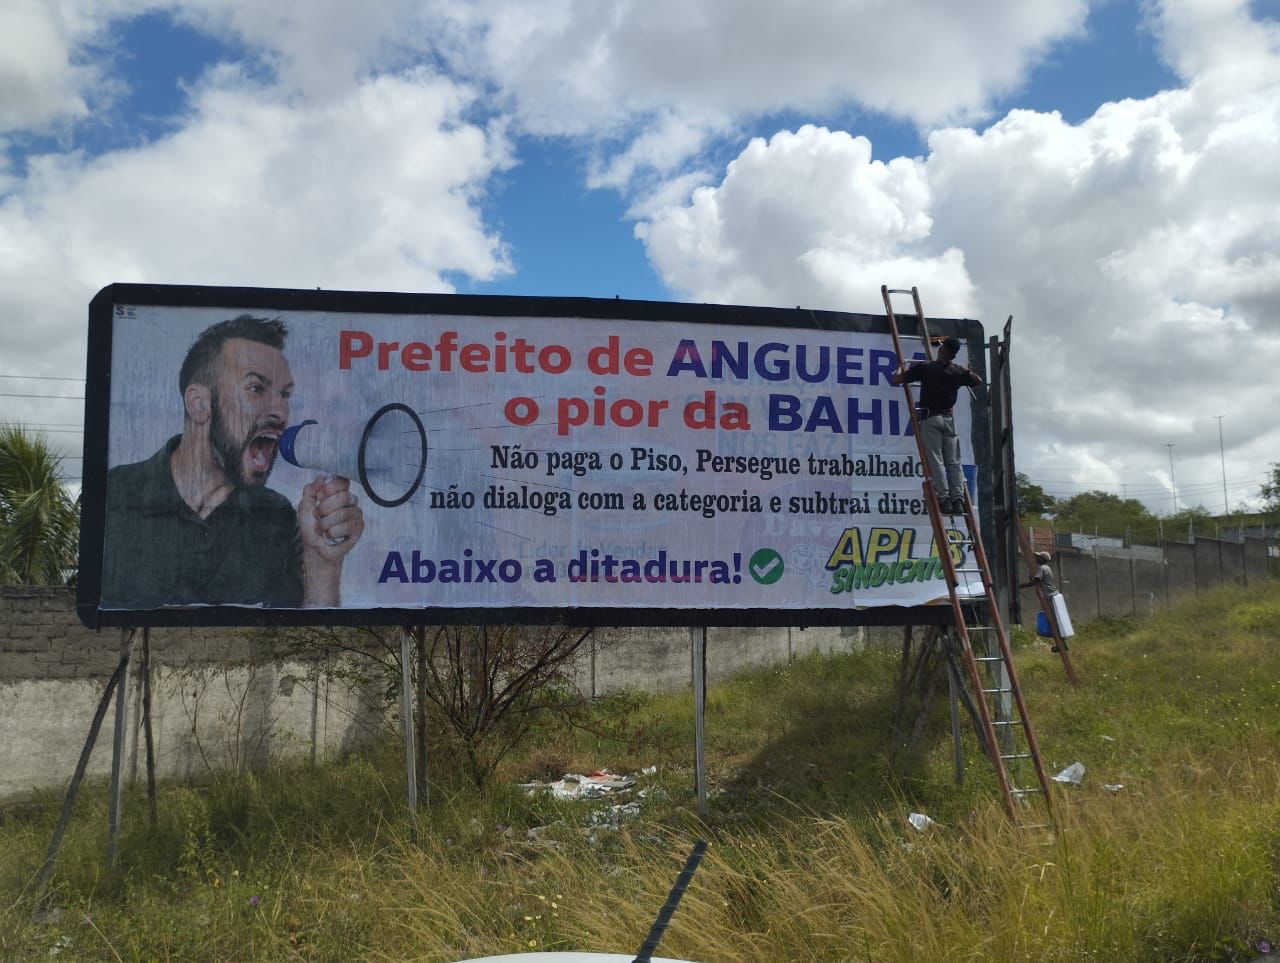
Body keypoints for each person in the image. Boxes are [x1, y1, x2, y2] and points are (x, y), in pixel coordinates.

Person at [102, 315, 364, 608]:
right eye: (256, 389)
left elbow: (306, 641)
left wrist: (323, 564)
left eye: (284, 394)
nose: (280, 411)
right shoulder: (115, 495)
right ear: (200, 404)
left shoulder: (277, 517)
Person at [890, 335, 983, 515]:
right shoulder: (957, 371)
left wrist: (901, 368)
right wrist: (963, 371)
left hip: (930, 419)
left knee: (937, 460)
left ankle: (944, 499)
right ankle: (958, 500)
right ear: (954, 356)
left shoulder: (926, 368)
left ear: (941, 350)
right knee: (954, 462)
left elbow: (897, 380)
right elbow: (977, 380)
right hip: (948, 421)